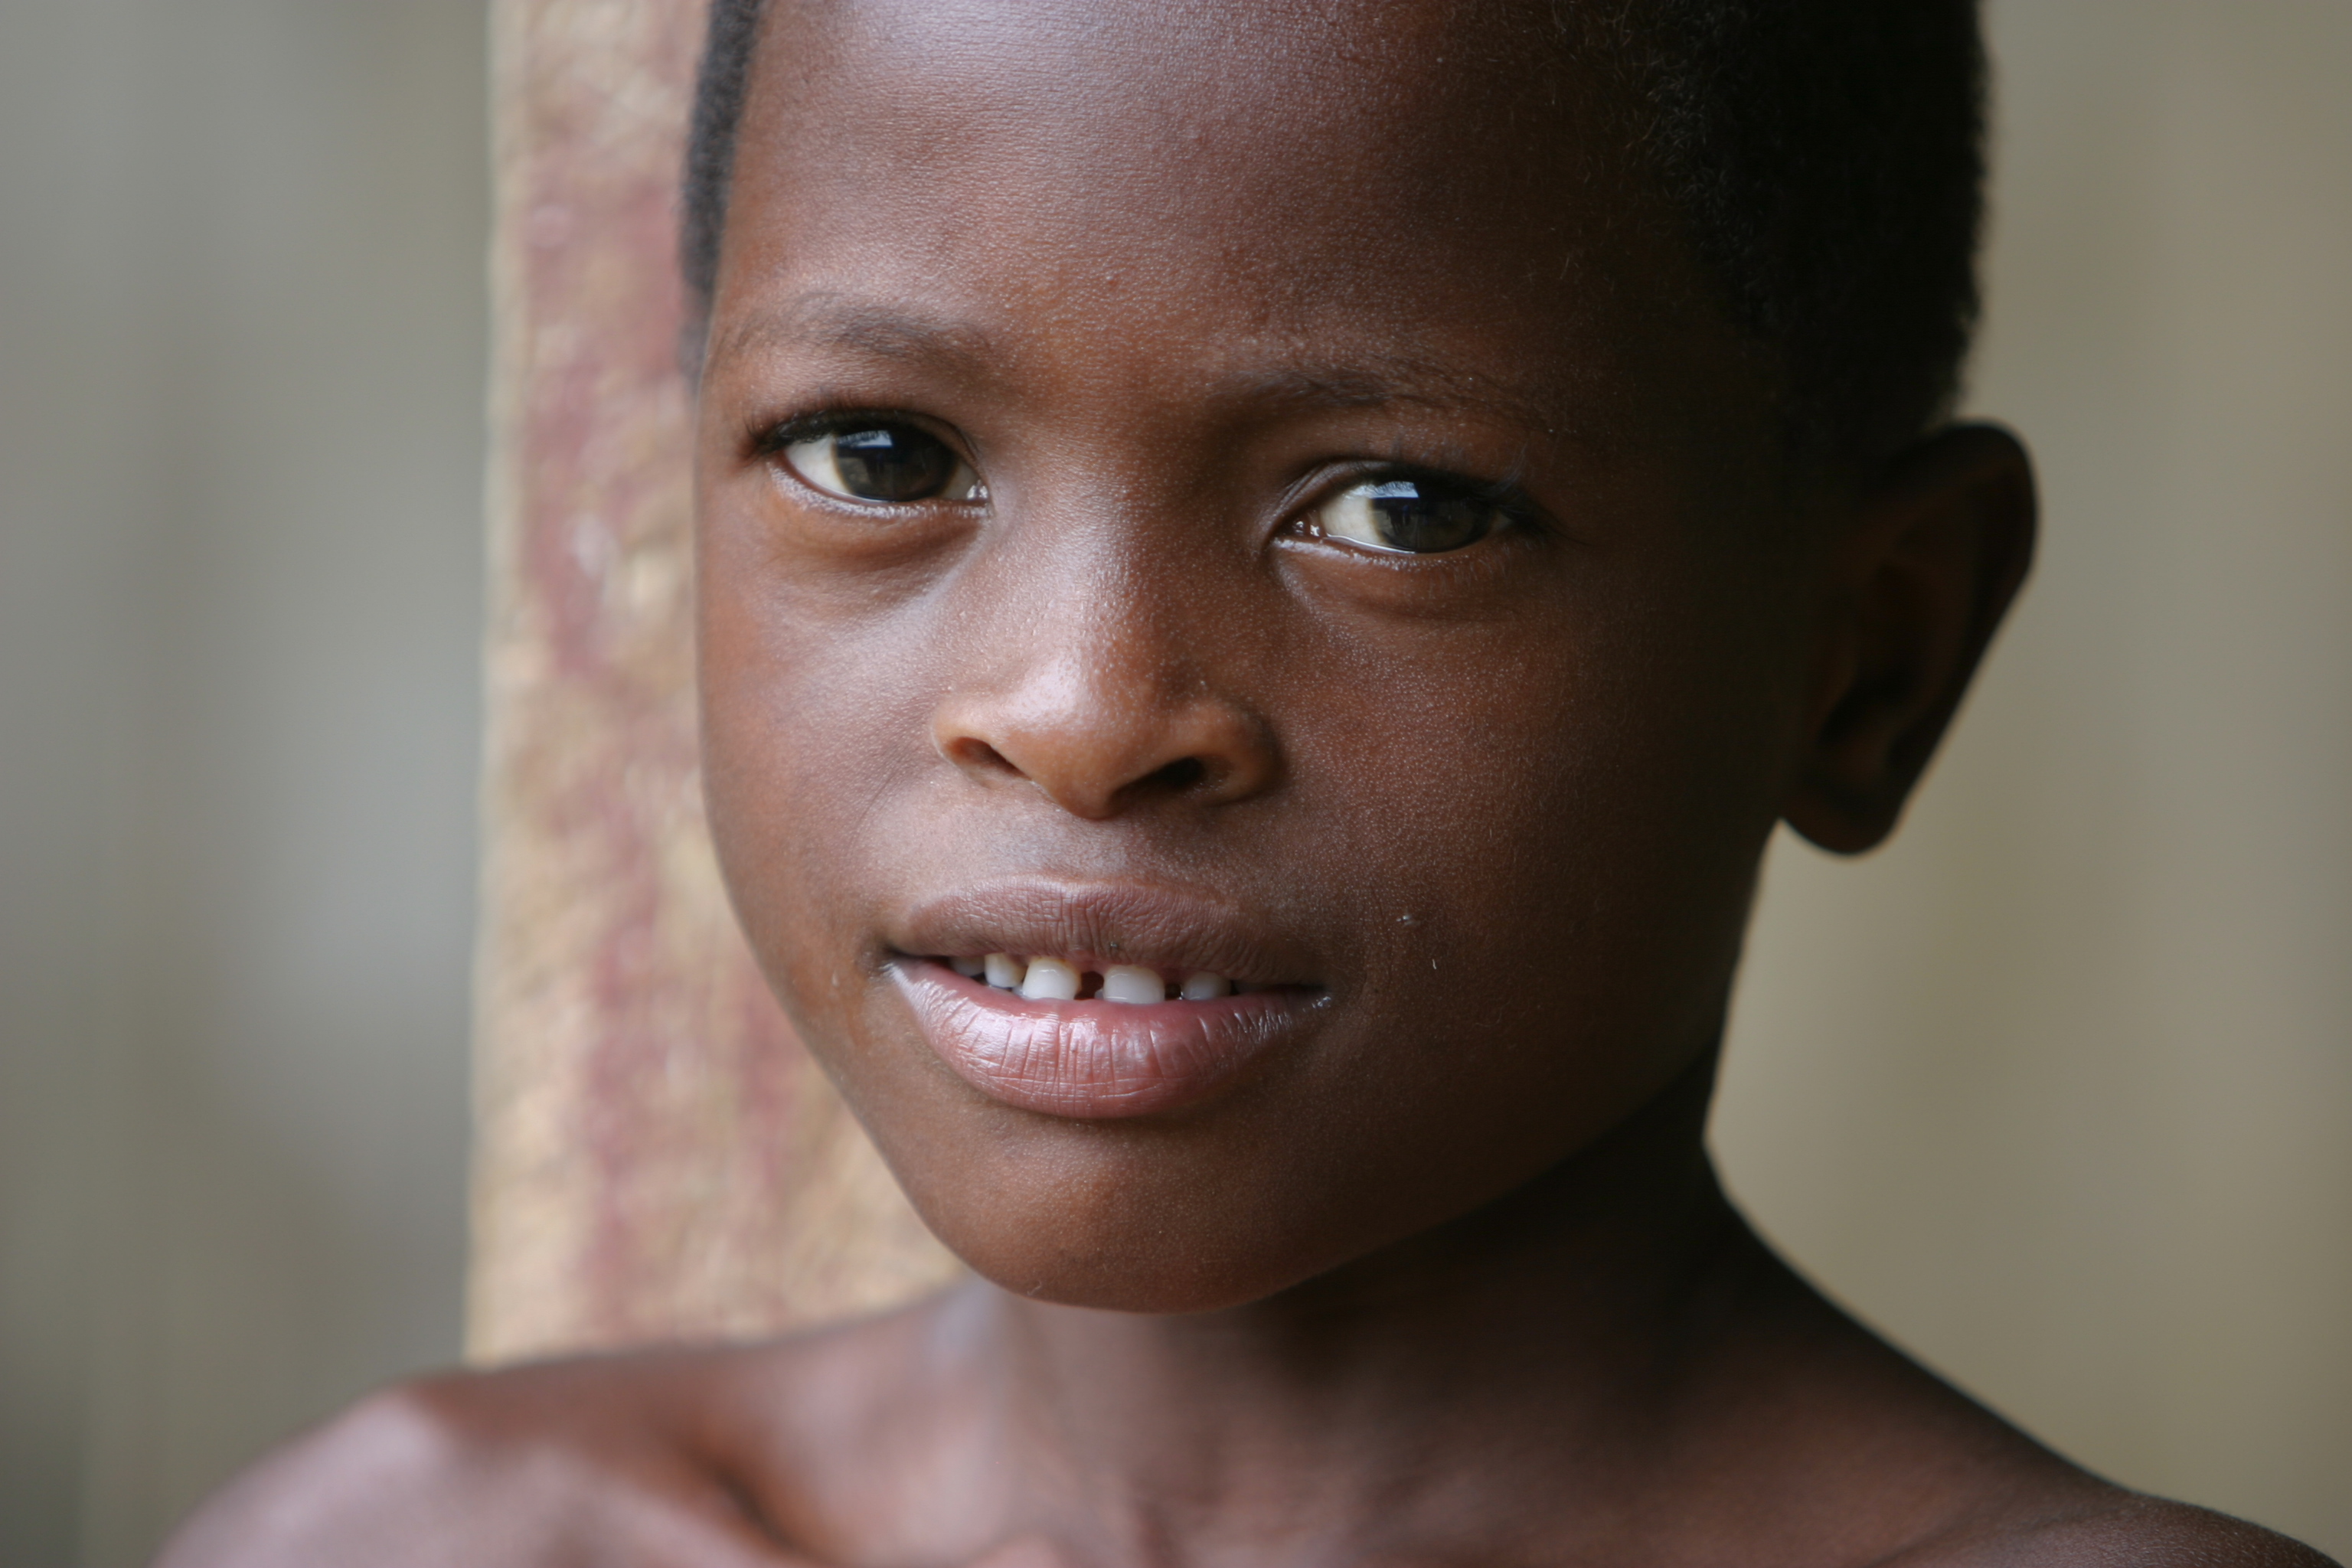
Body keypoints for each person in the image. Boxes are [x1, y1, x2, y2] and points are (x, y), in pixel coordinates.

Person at [155, 1, 2337, 1563]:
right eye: (882, 457)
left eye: (1400, 509)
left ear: (1871, 662)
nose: (1087, 708)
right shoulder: (428, 1540)